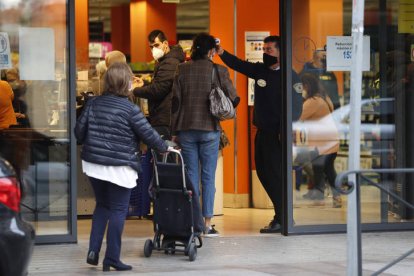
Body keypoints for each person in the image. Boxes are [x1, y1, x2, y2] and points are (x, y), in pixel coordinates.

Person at [75, 62, 169, 271]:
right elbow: (149, 135)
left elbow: (78, 133)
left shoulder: (92, 104)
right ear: (124, 83)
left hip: (94, 165)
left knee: (102, 206)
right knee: (118, 209)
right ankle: (112, 258)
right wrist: (165, 147)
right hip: (119, 166)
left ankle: (93, 250)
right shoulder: (130, 109)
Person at [217, 35, 303, 233]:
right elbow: (238, 64)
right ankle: (282, 216)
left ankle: (283, 218)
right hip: (262, 132)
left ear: (281, 53)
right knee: (263, 174)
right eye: (264, 50)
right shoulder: (260, 71)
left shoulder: (290, 76)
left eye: (269, 50)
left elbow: (296, 107)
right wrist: (222, 52)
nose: (266, 53)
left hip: (279, 134)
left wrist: (285, 130)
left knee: (275, 175)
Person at [171, 33, 238, 237]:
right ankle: (208, 224)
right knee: (208, 177)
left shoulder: (181, 69)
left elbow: (175, 102)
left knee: (191, 176)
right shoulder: (219, 70)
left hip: (186, 129)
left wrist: (174, 132)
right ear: (211, 51)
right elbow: (234, 98)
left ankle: (194, 222)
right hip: (210, 129)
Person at [132, 30, 185, 140]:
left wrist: (135, 90)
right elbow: (162, 84)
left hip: (165, 119)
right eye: (151, 47)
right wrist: (144, 84)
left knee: (164, 155)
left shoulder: (170, 62)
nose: (154, 49)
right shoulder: (164, 61)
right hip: (163, 117)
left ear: (165, 44)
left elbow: (159, 90)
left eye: (156, 45)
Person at [299, 73, 341, 208]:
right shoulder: (324, 97)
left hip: (322, 142)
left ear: (307, 86)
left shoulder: (313, 101)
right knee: (326, 169)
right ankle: (334, 197)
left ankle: (323, 197)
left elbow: (298, 116)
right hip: (329, 139)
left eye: (302, 86)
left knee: (322, 169)